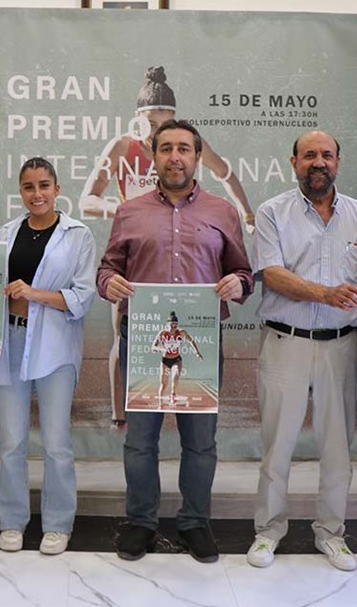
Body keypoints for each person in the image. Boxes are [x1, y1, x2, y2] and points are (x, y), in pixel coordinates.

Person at [97, 119, 253, 563]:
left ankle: (195, 522)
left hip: (200, 340)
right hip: (143, 340)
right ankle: (141, 522)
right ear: (153, 156)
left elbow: (243, 272)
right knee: (140, 441)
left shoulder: (222, 212)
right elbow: (107, 269)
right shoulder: (130, 211)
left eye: (184, 148)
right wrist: (108, 283)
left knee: (200, 441)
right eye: (166, 148)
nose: (175, 157)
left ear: (197, 157)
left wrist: (239, 284)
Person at [81, 66, 257, 428]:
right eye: (150, 124)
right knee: (124, 334)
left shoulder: (186, 146)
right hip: (139, 254)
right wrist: (128, 210)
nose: (156, 132)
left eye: (163, 123)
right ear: (137, 118)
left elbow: (225, 173)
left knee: (190, 336)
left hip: (185, 256)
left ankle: (189, 409)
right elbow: (87, 200)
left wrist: (247, 212)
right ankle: (121, 416)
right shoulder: (122, 146)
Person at [249, 131, 357, 571]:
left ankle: (331, 533)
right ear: (294, 163)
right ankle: (268, 532)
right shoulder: (272, 212)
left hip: (342, 345)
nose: (318, 162)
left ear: (338, 162)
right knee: (277, 446)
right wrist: (325, 294)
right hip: (285, 341)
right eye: (309, 155)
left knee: (338, 449)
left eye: (326, 155)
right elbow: (271, 273)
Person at [0, 157, 96, 556]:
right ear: (21, 191)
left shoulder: (78, 235)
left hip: (55, 347)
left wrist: (34, 294)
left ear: (57, 189)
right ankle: (12, 520)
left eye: (44, 185)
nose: (37, 194)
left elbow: (83, 297)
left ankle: (58, 524)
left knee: (56, 443)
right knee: (12, 441)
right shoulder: (5, 234)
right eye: (28, 187)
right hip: (9, 342)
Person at [151, 311, 204, 407]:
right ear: (167, 324)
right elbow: (153, 347)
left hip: (176, 359)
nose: (173, 328)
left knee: (175, 378)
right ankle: (160, 404)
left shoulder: (181, 332)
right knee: (163, 384)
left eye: (175, 325)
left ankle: (173, 394)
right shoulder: (163, 333)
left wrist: (197, 352)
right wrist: (162, 349)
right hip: (166, 361)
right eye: (171, 325)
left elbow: (191, 340)